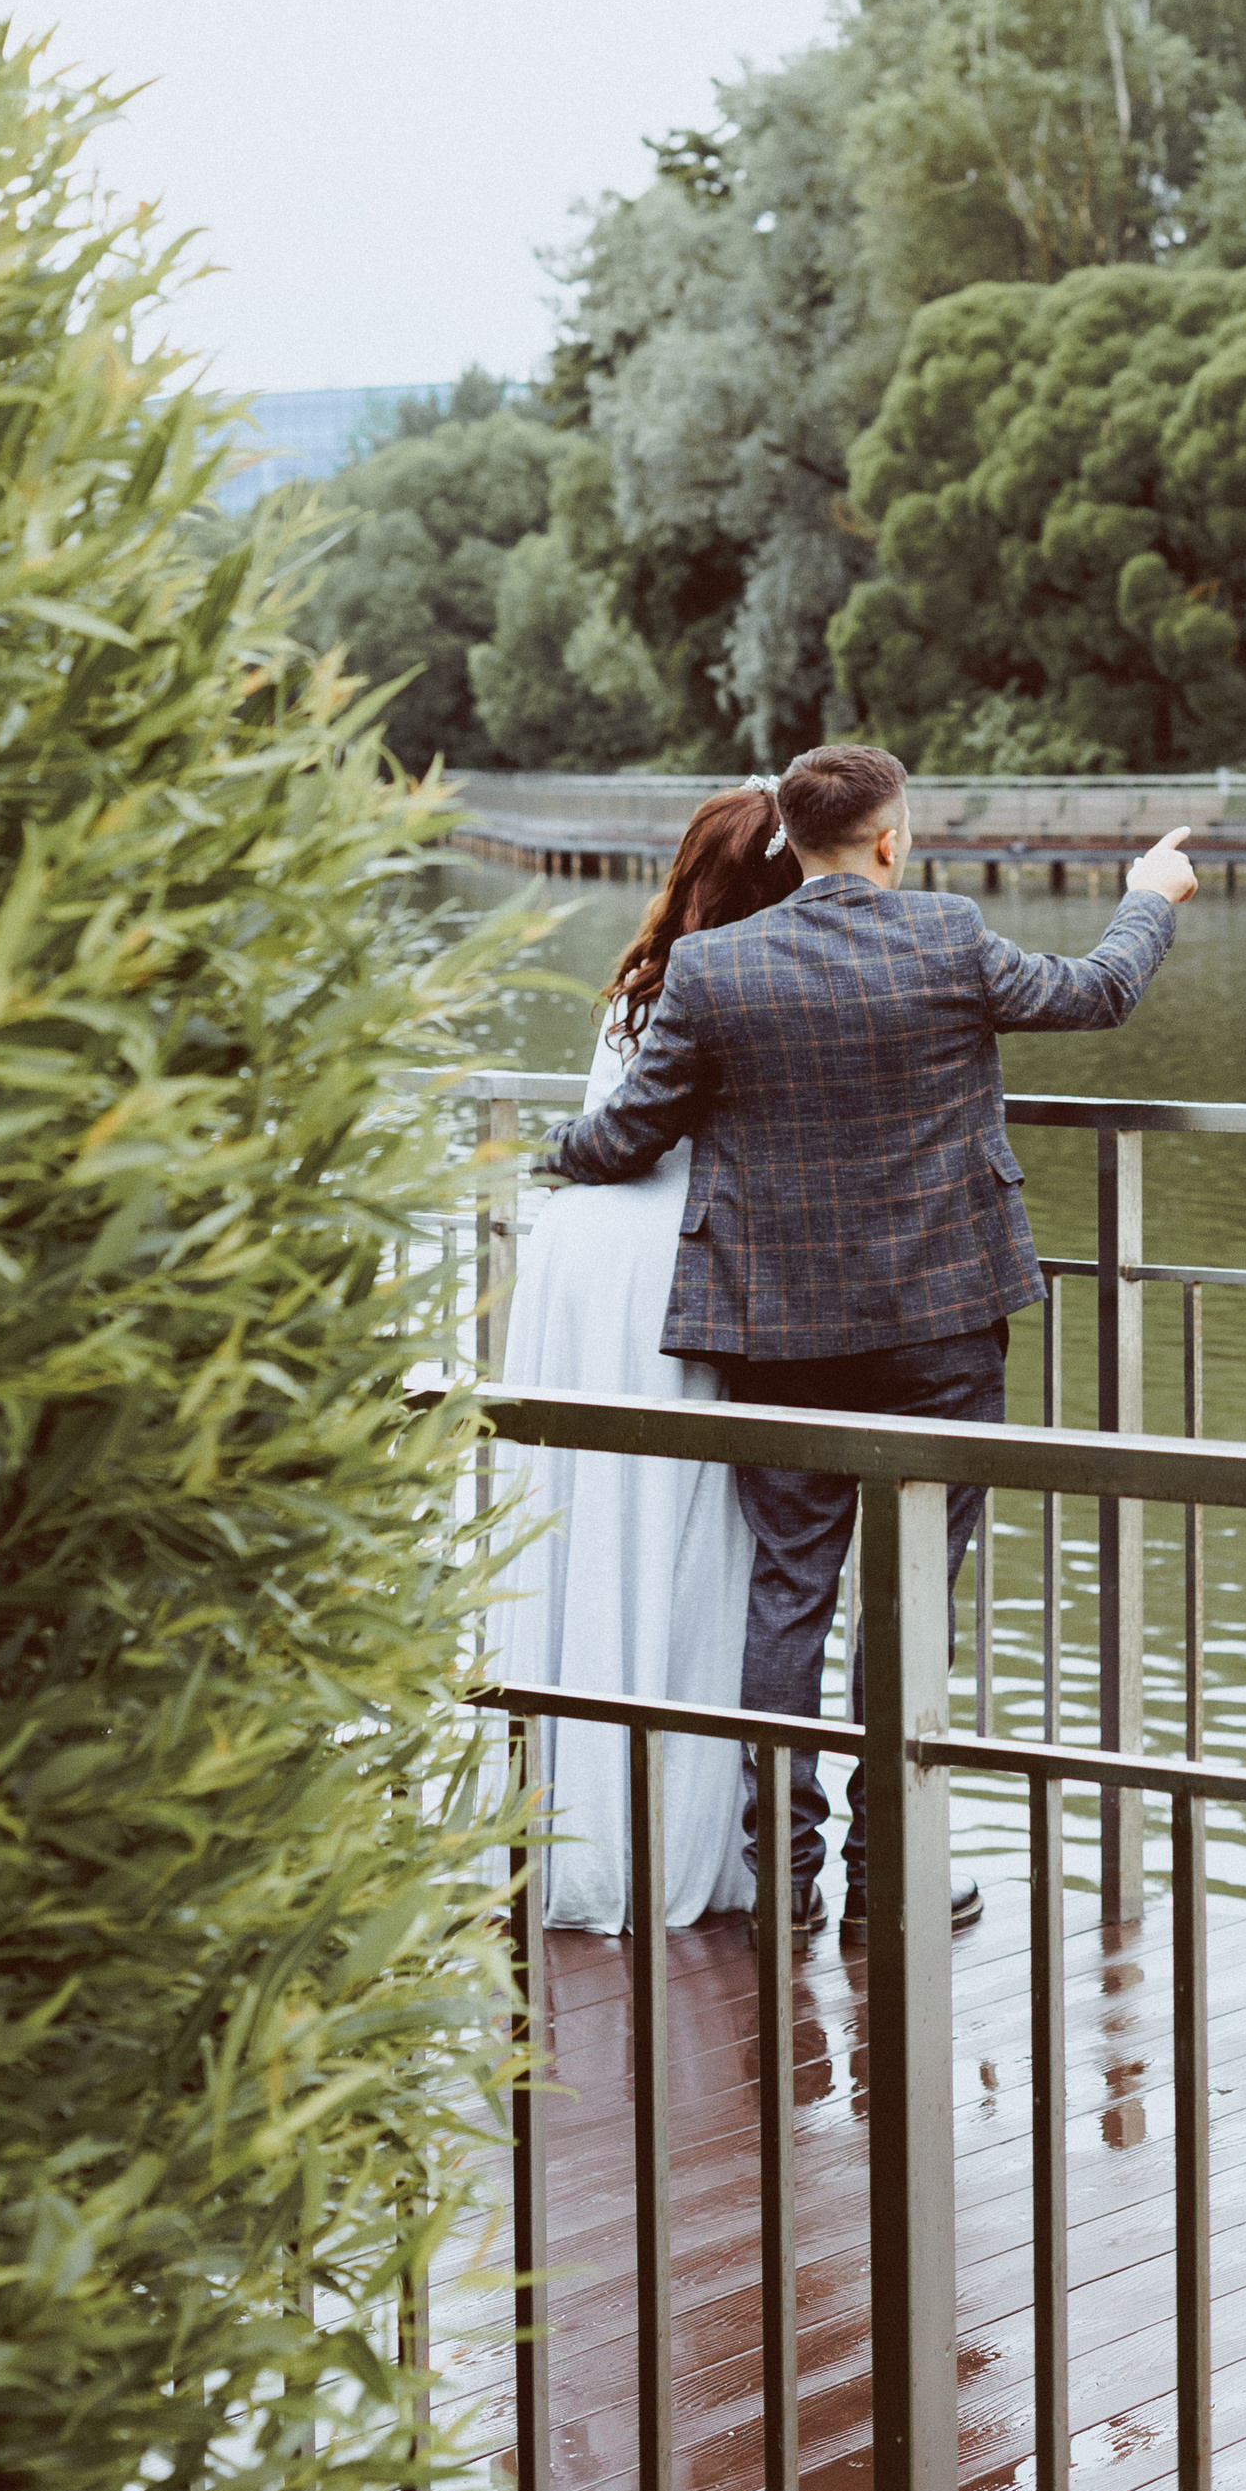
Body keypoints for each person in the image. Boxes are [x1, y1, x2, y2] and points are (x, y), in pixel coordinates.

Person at [542, 742, 1198, 1938]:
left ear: (790, 842)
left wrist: (549, 1150)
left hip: (778, 1332)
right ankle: (888, 1876)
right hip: (941, 1327)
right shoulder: (944, 936)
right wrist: (1146, 900)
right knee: (909, 1605)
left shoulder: (713, 966)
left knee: (787, 1597)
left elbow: (627, 1137)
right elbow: (1098, 991)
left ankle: (782, 1880)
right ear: (891, 839)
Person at [491, 784, 799, 1929]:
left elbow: (607, 1135)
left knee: (585, 1522)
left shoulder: (638, 984)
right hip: (680, 1269)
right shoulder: (750, 992)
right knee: (688, 1535)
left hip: (580, 1266)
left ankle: (562, 1823)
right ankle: (681, 1835)